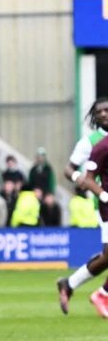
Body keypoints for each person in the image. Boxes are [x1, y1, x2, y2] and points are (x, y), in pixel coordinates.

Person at [57, 131, 108, 319]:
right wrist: (81, 179)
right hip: (103, 204)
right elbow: (69, 169)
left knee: (107, 256)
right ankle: (103, 294)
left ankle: (69, 284)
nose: (104, 114)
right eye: (100, 111)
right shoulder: (92, 142)